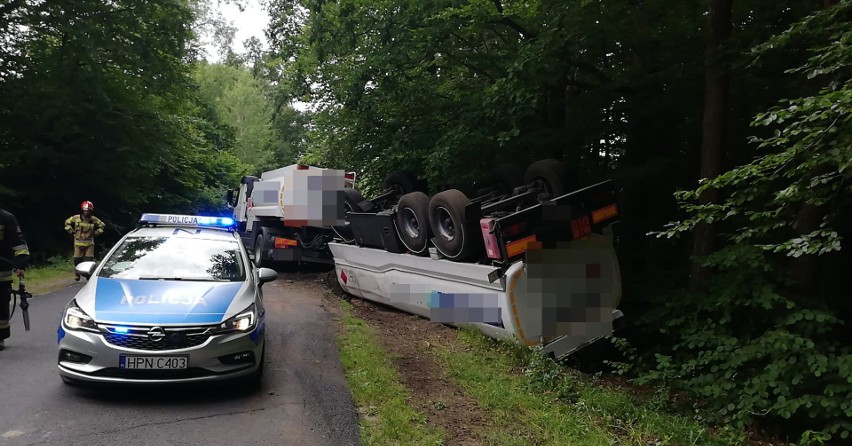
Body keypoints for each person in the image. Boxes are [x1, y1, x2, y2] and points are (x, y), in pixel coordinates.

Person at [1, 207, 30, 350]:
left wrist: (20, 264)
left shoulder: (7, 218)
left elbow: (19, 244)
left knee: (0, 306)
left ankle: (0, 337)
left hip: (1, 271)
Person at [64, 201, 105, 281]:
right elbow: (67, 223)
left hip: (89, 243)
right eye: (85, 210)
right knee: (77, 260)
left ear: (91, 211)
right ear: (82, 210)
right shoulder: (76, 218)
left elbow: (102, 226)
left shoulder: (93, 219)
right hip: (78, 243)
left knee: (89, 261)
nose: (86, 212)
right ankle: (77, 273)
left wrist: (96, 233)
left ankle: (87, 275)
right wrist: (71, 231)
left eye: (88, 210)